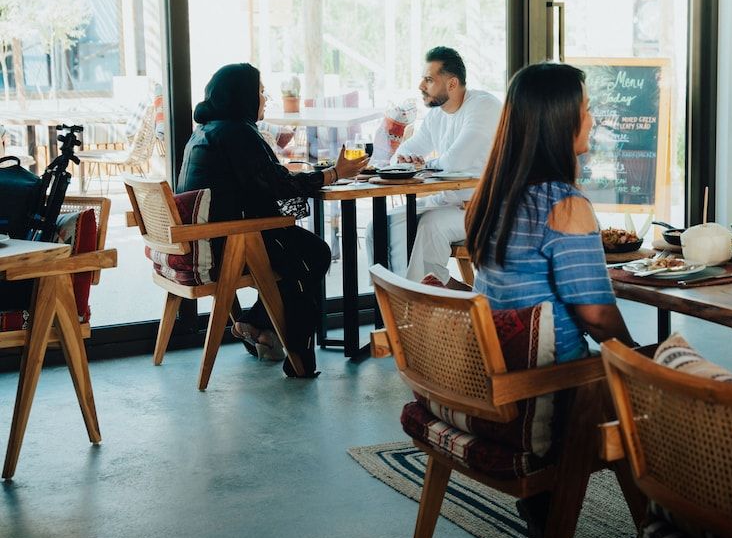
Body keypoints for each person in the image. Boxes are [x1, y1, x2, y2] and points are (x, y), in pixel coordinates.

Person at [178, 63, 368, 377]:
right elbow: (278, 186)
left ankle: (260, 326)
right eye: (260, 92)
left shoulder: (207, 131)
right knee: (312, 256)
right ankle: (294, 355)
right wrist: (334, 174)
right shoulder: (236, 132)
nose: (265, 99)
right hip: (234, 243)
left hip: (207, 242)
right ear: (242, 96)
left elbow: (264, 180)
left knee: (299, 254)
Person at [465, 61, 636, 363]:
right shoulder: (564, 205)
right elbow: (596, 315)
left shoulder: (496, 192)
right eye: (586, 109)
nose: (592, 121)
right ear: (560, 120)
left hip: (496, 370)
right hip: (550, 385)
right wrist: (638, 359)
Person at [366, 46, 501, 285]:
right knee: (377, 227)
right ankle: (392, 302)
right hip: (447, 202)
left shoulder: (483, 106)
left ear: (452, 84)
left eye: (429, 79)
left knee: (430, 226)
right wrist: (409, 162)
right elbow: (401, 157)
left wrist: (421, 165)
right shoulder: (437, 115)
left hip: (485, 209)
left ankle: (421, 310)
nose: (420, 85)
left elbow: (455, 161)